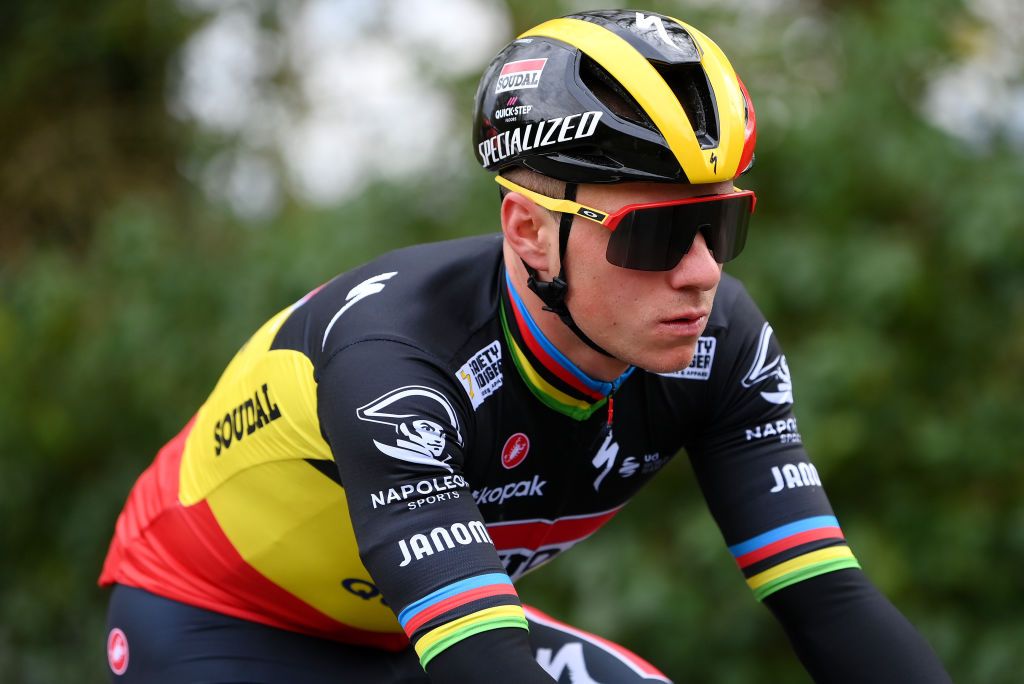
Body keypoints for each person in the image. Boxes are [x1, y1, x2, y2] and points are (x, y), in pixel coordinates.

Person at [98, 9, 951, 683]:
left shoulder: (721, 344)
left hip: (416, 628)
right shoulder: (398, 365)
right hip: (219, 620)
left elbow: (825, 598)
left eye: (720, 225)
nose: (700, 273)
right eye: (657, 236)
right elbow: (477, 655)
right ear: (531, 232)